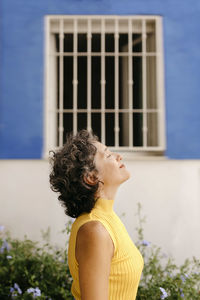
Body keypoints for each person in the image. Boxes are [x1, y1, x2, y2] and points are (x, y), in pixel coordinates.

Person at [49, 129, 143, 300]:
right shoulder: (94, 229)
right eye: (107, 155)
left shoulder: (107, 219)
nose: (118, 156)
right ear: (91, 177)